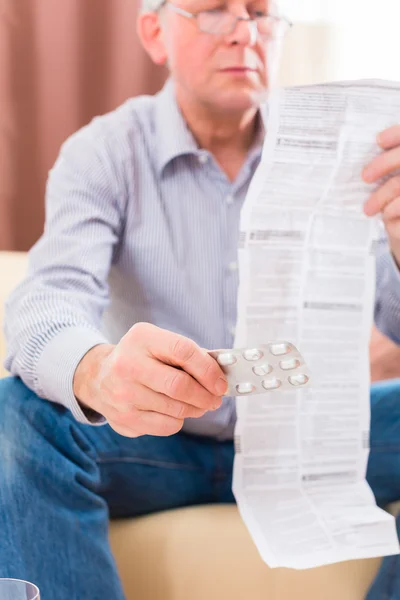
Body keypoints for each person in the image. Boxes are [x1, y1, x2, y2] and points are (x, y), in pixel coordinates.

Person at [1, 0, 400, 597]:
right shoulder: (103, 152)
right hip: (156, 445)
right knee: (17, 414)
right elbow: (50, 295)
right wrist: (98, 369)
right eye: (214, 11)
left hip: (307, 438)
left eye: (261, 14)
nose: (245, 33)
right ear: (153, 33)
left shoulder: (353, 158)